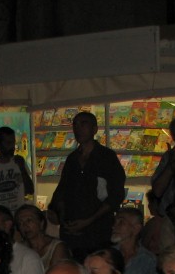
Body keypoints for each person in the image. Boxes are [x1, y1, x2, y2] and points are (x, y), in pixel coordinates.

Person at [47, 111, 126, 259]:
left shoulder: (106, 157)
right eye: (75, 125)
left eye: (84, 124)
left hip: (97, 232)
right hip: (72, 231)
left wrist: (89, 220)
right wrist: (62, 217)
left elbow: (116, 195)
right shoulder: (72, 159)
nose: (78, 129)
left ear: (94, 129)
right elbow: (63, 190)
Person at [111, 206, 163, 274]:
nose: (114, 226)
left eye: (121, 222)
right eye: (115, 222)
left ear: (136, 229)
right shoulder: (108, 255)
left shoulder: (147, 261)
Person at [0, 125, 34, 214]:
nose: (12, 146)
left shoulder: (19, 162)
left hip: (17, 214)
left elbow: (30, 190)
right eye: (8, 143)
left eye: (13, 142)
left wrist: (22, 168)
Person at [16, 204, 69, 270]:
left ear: (41, 223)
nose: (25, 225)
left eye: (29, 220)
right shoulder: (19, 249)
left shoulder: (57, 247)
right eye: (20, 223)